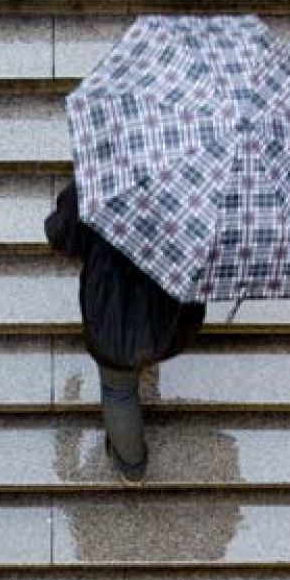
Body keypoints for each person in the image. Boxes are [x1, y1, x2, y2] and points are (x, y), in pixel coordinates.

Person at [45, 180, 205, 484]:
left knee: (118, 390)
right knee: (146, 346)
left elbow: (63, 233)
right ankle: (147, 359)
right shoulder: (195, 191)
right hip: (167, 307)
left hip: (112, 310)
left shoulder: (105, 179)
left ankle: (132, 466)